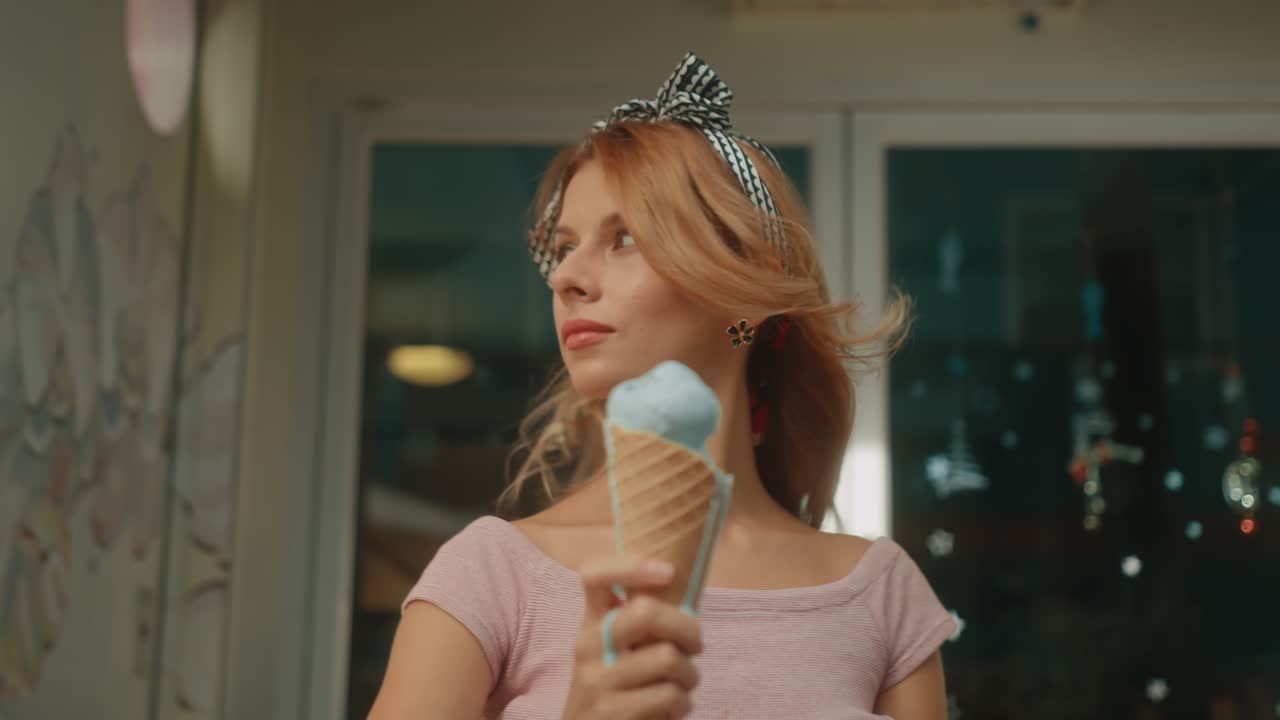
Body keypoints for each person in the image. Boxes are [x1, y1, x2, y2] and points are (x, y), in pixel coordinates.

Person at [369, 53, 956, 720]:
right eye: (563, 247)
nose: (566, 277)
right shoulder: (492, 576)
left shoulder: (879, 596)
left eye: (624, 240)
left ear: (747, 292)